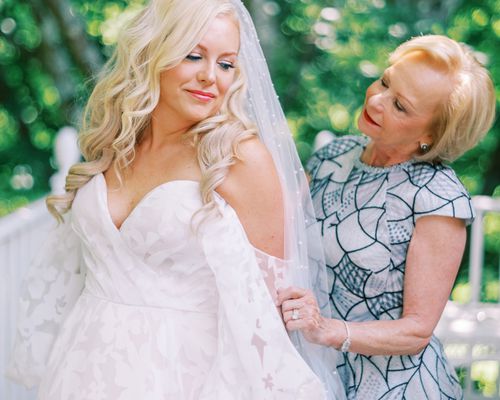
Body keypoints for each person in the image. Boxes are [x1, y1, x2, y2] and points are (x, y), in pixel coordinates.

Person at [6, 0, 346, 399]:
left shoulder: (238, 157)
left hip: (184, 375)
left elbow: (267, 312)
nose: (210, 77)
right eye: (193, 55)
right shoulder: (116, 143)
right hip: (83, 364)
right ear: (155, 51)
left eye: (226, 64)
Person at [278, 34, 496, 399]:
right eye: (384, 81)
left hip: (395, 388)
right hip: (313, 376)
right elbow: (282, 240)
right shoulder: (334, 156)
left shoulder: (438, 197)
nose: (376, 100)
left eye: (400, 105)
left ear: (431, 135)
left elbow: (416, 331)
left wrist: (327, 331)